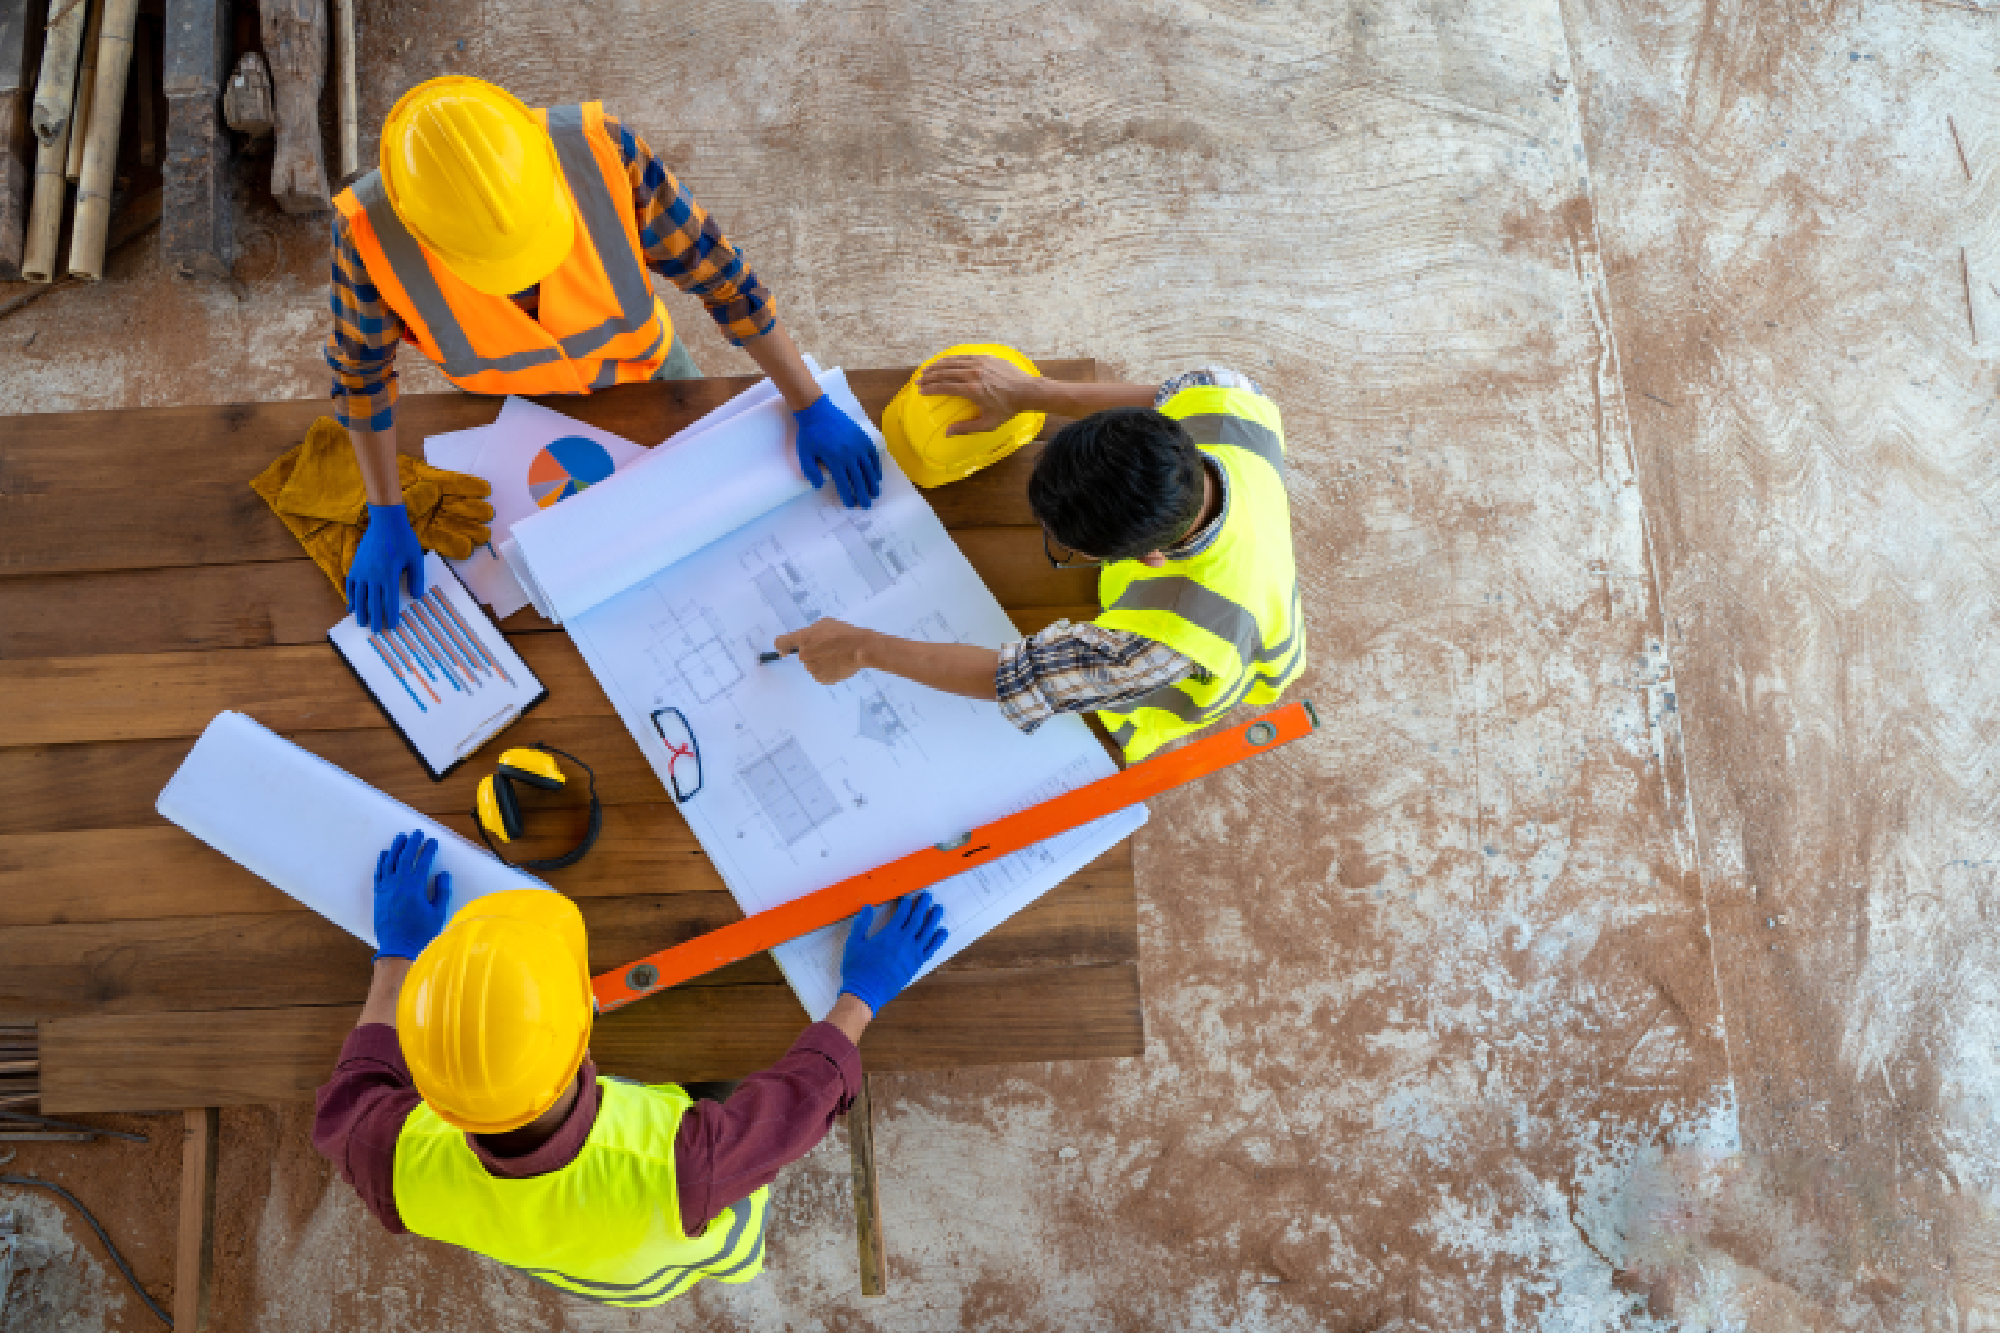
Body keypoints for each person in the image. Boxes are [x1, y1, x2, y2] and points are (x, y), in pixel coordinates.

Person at [328, 76, 881, 632]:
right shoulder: (368, 239)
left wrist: (808, 401)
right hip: (504, 409)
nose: (526, 282)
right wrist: (385, 510)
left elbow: (724, 280)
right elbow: (361, 378)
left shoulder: (604, 156)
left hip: (651, 378)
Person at [313, 831, 946, 1307]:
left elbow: (355, 1090)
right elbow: (797, 1104)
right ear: (584, 1041)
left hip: (575, 1260)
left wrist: (397, 955)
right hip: (670, 1254)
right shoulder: (688, 1166)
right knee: (733, 1228)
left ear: (429, 1091)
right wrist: (862, 994)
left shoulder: (391, 1158)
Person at [774, 358, 1305, 761]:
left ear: (1148, 558)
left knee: (1130, 715)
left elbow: (1016, 679)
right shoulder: (1224, 397)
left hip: (1226, 661)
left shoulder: (1159, 651)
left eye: (1064, 544)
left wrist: (863, 648)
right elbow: (1166, 396)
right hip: (1248, 541)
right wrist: (1032, 393)